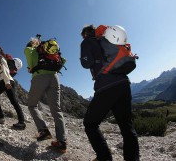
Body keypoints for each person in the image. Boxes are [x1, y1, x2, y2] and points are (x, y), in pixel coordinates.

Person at [80, 25, 139, 161]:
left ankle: (104, 157)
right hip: (124, 83)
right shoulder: (106, 40)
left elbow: (86, 63)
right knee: (127, 127)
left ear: (85, 34)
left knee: (90, 124)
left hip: (106, 86)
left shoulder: (88, 41)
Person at [24, 38, 67, 153]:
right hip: (54, 78)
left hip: (40, 78)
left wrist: (33, 45)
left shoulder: (30, 50)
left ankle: (44, 131)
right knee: (56, 109)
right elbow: (62, 60)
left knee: (32, 105)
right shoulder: (50, 52)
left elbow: (29, 56)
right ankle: (61, 142)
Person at [0, 45, 26, 129]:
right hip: (8, 80)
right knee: (14, 101)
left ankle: (1, 117)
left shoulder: (0, 57)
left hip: (5, 80)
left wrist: (7, 82)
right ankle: (21, 122)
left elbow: (5, 69)